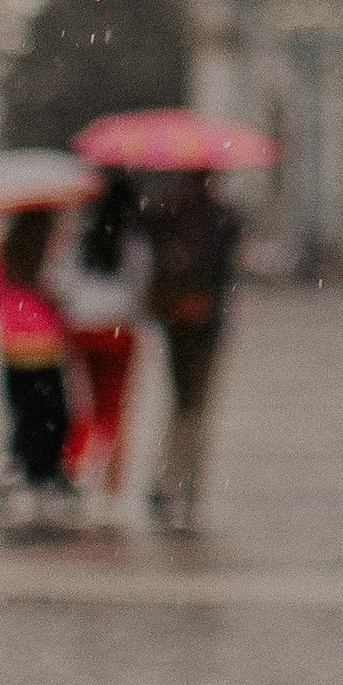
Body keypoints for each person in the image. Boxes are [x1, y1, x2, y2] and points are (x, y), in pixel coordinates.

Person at [139, 170, 244, 533]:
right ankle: (185, 486)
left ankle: (170, 479)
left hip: (176, 317)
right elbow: (225, 270)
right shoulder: (222, 219)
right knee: (196, 406)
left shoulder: (166, 215)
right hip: (205, 321)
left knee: (181, 403)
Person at [0, 208, 77, 520]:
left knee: (23, 411)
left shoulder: (0, 255)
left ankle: (23, 468)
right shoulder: (50, 251)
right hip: (46, 342)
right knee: (53, 412)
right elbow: (59, 291)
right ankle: (46, 472)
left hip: (13, 344)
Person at [57, 172, 146, 497]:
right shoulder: (133, 241)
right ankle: (111, 489)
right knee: (116, 411)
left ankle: (73, 472)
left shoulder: (81, 239)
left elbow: (60, 282)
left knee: (84, 406)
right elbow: (141, 284)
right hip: (120, 327)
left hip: (83, 326)